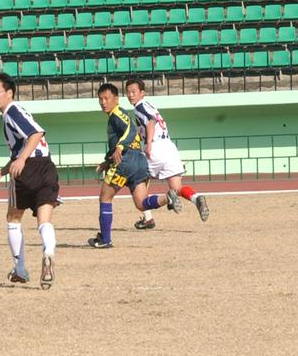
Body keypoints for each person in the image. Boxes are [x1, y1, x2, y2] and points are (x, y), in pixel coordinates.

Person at [0, 72, 58, 289]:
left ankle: (20, 269)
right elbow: (24, 146)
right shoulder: (15, 112)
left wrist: (22, 159)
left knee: (13, 218)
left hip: (28, 169)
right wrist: (1, 172)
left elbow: (36, 133)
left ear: (10, 93)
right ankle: (48, 252)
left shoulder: (12, 111)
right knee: (44, 220)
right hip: (46, 166)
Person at [88, 82, 180, 249]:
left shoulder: (117, 113)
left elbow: (131, 130)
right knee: (141, 203)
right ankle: (168, 197)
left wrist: (120, 147)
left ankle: (105, 240)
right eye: (100, 99)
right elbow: (129, 136)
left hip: (127, 161)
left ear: (116, 99)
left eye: (107, 98)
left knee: (105, 198)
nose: (103, 102)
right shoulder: (118, 115)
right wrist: (107, 161)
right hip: (139, 161)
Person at [124, 79, 210, 228]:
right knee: (177, 188)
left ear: (142, 93)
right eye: (128, 92)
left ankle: (148, 218)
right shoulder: (150, 106)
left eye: (134, 91)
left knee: (136, 179)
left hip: (155, 148)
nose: (130, 95)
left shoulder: (139, 107)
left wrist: (148, 143)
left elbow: (150, 122)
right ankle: (196, 198)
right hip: (169, 148)